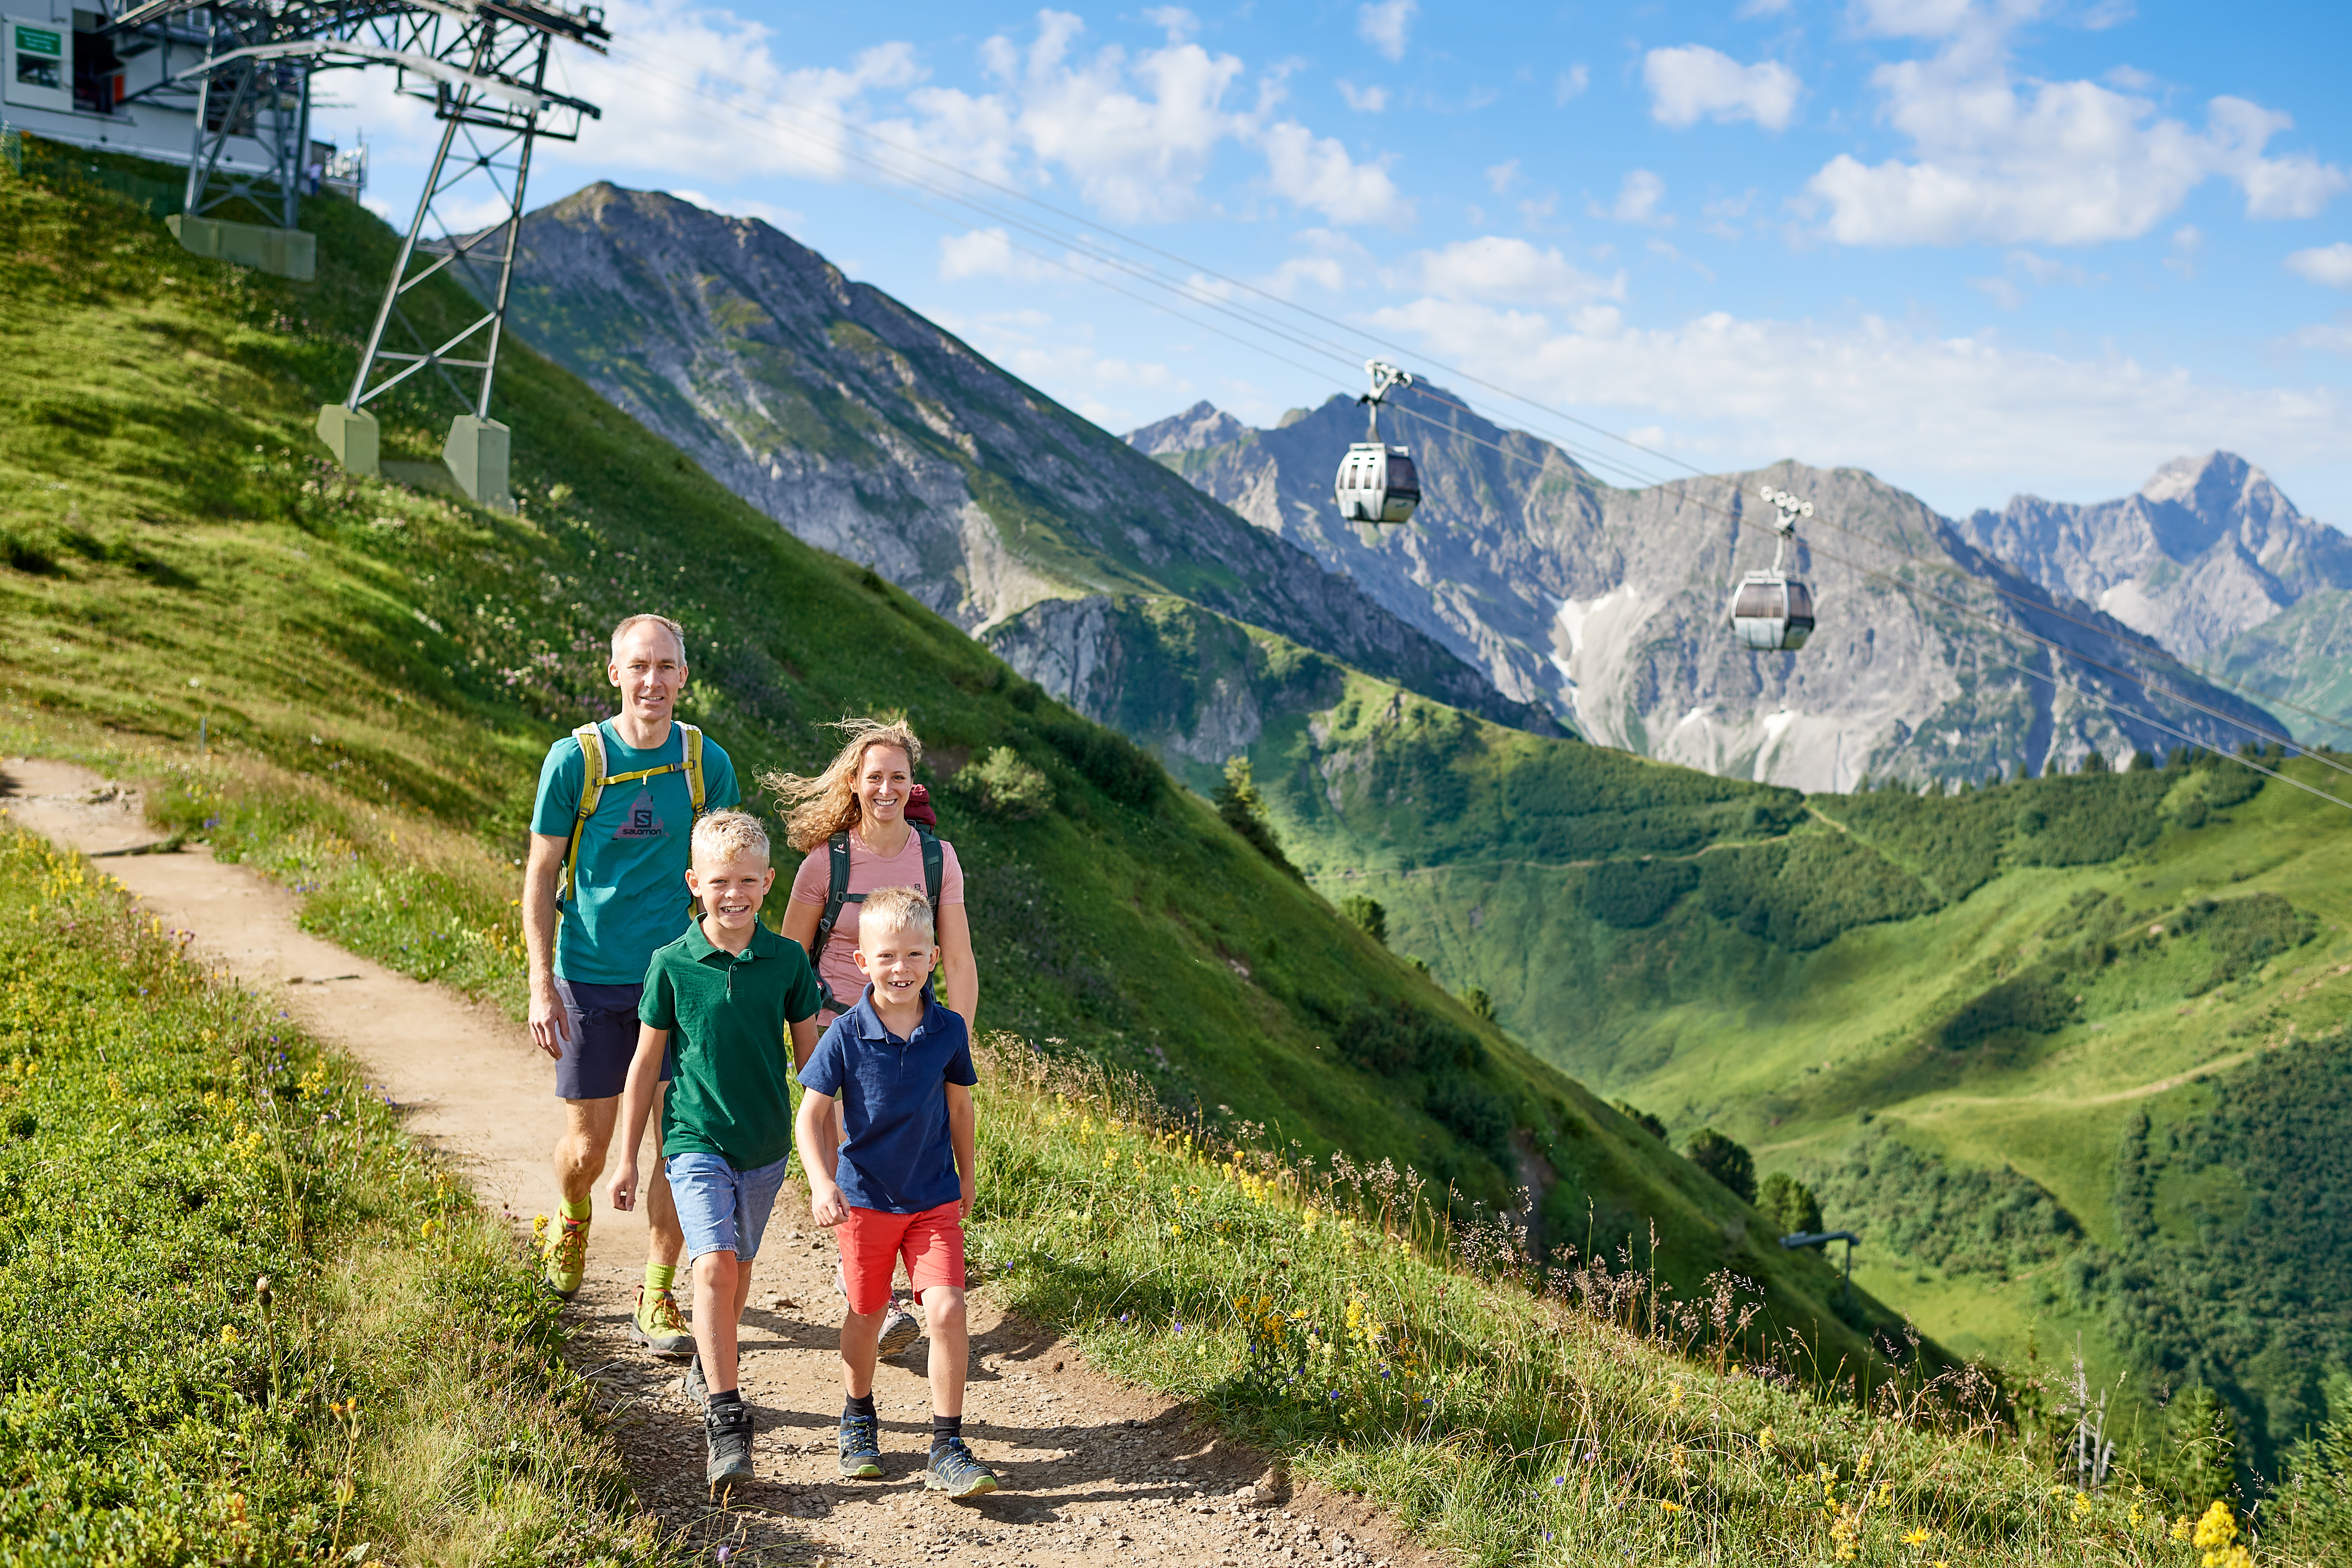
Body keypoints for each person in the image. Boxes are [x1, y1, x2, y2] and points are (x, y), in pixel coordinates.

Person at [522, 612, 740, 1357]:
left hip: (681, 981)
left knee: (681, 1147)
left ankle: (656, 1295)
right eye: (638, 667)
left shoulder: (705, 764)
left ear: (685, 675)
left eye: (666, 667)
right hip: (589, 975)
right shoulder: (574, 761)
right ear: (615, 674)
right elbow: (541, 874)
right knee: (589, 1146)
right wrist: (539, 984)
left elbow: (726, 876)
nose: (653, 681)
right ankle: (569, 1214)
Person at [609, 810, 822, 1491]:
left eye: (749, 882)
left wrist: (832, 1149)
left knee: (742, 1265)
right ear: (694, 883)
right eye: (720, 881)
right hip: (694, 1139)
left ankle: (712, 1356)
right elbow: (645, 1066)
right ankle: (728, 1422)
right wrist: (626, 1157)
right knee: (713, 1268)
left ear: (768, 883)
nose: (735, 894)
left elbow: (813, 1065)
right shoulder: (670, 965)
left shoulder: (787, 962)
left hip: (763, 1143)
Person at [770, 718, 976, 1354]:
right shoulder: (822, 864)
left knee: (902, 1145)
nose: (886, 788)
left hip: (913, 1025)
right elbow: (787, 959)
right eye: (874, 778)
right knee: (845, 1146)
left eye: (898, 778)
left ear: (913, 785)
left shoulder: (936, 859)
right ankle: (873, 1292)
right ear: (855, 785)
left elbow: (960, 961)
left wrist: (955, 1046)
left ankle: (900, 1272)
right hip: (833, 1023)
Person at [795, 885, 997, 1497]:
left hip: (933, 1198)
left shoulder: (948, 1031)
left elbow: (959, 1108)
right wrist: (821, 1181)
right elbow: (810, 1116)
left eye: (914, 955)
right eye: (886, 957)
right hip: (866, 1202)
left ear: (934, 958)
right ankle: (858, 1413)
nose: (900, 969)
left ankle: (947, 1442)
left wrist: (967, 1176)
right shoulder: (846, 1036)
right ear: (862, 963)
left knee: (948, 1310)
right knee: (866, 1313)